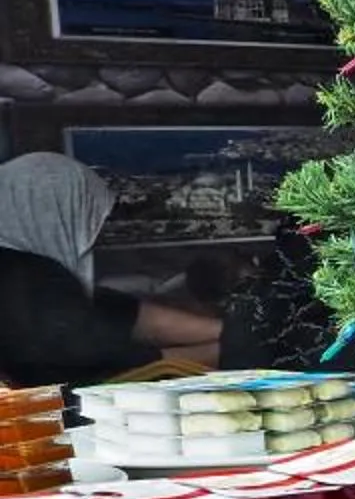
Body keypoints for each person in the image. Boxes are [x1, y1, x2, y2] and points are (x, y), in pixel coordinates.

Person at [0, 153, 221, 386]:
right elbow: (102, 366)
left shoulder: (33, 273)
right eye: (87, 219)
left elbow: (111, 314)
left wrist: (224, 330)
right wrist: (230, 348)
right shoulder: (23, 277)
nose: (96, 236)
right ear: (53, 212)